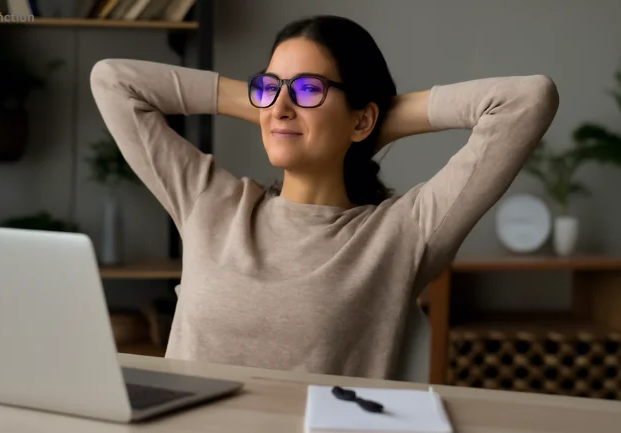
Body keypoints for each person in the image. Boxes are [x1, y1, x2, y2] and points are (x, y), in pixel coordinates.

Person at [90, 15, 559, 382]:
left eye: (310, 88)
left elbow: (527, 100)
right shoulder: (208, 202)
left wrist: (377, 120)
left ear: (361, 120)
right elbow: (112, 80)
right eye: (269, 87)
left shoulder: (403, 234)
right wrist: (271, 109)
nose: (280, 104)